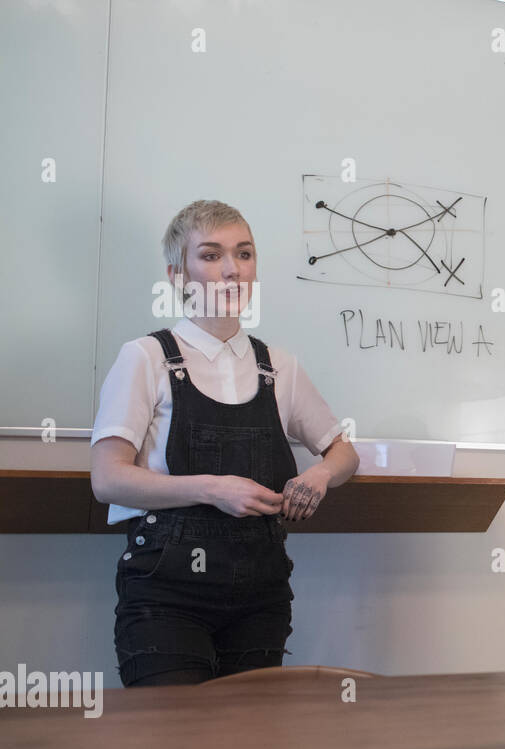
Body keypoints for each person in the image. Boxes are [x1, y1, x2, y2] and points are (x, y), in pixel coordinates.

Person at [90, 200, 360, 686]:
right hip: (165, 597)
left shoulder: (279, 365)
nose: (232, 269)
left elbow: (344, 453)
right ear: (178, 274)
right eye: (211, 255)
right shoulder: (146, 358)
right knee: (173, 745)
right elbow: (108, 478)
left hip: (262, 594)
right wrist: (214, 489)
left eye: (244, 253)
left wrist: (319, 475)